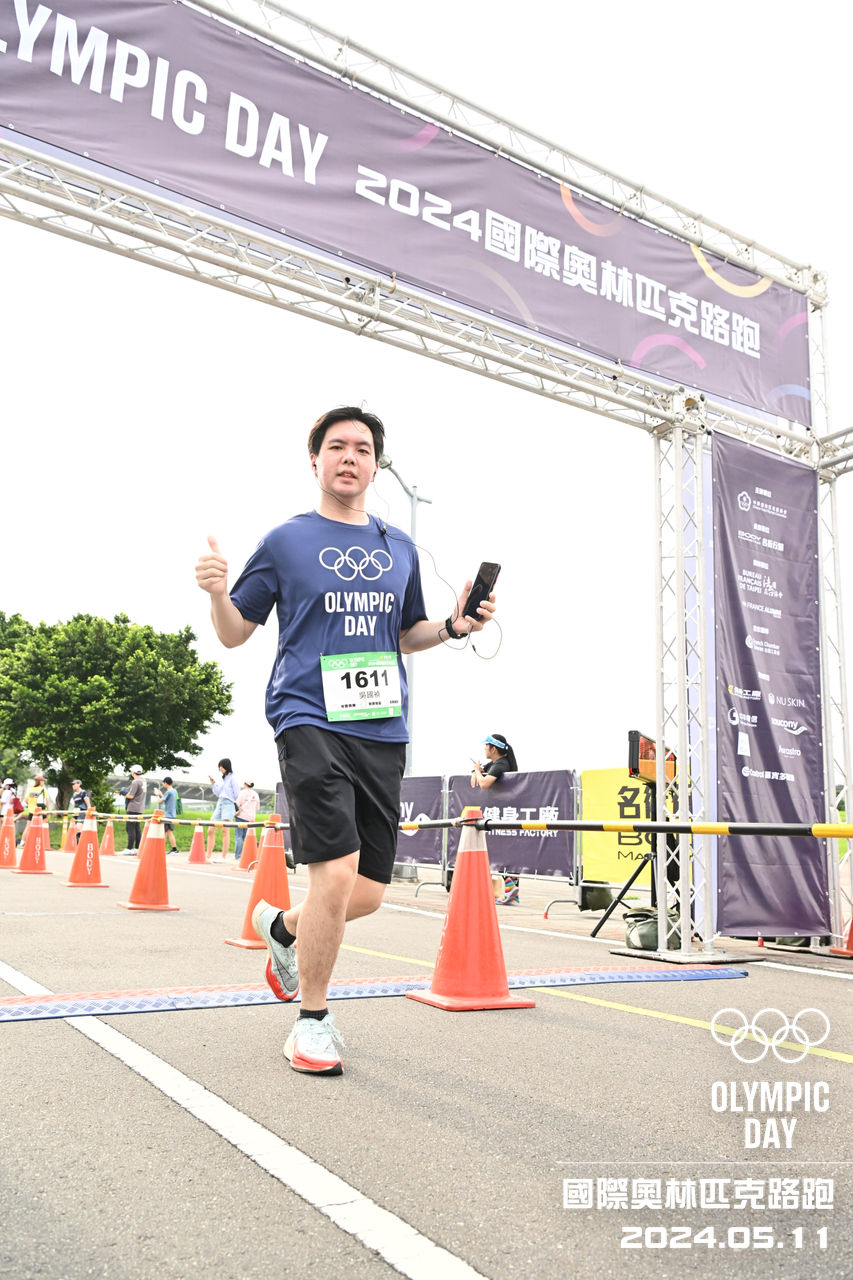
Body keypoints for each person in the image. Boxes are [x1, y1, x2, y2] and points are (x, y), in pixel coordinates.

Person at [195, 405, 496, 1076]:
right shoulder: (286, 540)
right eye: (336, 446)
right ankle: (312, 1020)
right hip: (307, 716)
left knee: (365, 892)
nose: (349, 457)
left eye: (362, 448)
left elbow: (407, 634)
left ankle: (282, 927)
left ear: (376, 465)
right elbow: (235, 632)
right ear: (315, 461)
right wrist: (216, 594)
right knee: (332, 874)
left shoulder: (399, 547)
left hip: (382, 728)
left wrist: (453, 626)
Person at [207, 757, 239, 861]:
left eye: (221, 766)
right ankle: (208, 856)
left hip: (228, 804)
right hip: (220, 803)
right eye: (219, 767)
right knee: (210, 830)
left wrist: (232, 801)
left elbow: (237, 793)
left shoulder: (233, 778)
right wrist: (213, 784)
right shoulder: (222, 779)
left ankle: (223, 857)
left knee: (225, 830)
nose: (220, 768)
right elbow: (218, 793)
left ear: (226, 766)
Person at [234, 779, 261, 860]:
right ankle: (247, 856)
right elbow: (257, 807)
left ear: (245, 784)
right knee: (247, 838)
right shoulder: (255, 794)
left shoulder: (242, 792)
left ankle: (238, 856)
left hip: (240, 817)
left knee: (239, 836)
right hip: (251, 819)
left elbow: (237, 804)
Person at [123, 765, 146, 855]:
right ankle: (137, 848)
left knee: (130, 828)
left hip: (132, 808)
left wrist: (123, 794)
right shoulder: (143, 780)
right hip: (140, 808)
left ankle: (129, 848)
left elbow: (131, 796)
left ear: (133, 772)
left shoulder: (135, 782)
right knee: (137, 828)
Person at [158, 776, 179, 853]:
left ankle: (174, 849)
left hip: (168, 815)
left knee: (168, 832)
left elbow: (159, 801)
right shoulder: (174, 791)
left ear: (166, 783)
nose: (163, 784)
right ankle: (162, 848)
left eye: (163, 783)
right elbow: (166, 798)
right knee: (166, 832)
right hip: (172, 814)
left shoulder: (168, 792)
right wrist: (161, 794)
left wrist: (157, 794)